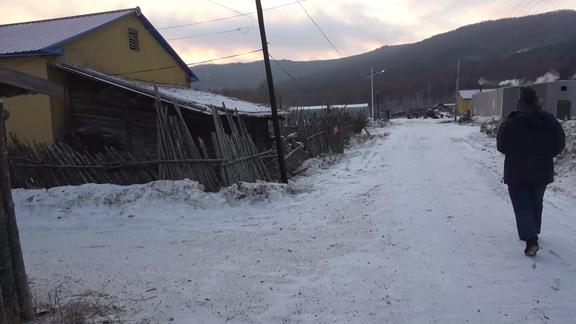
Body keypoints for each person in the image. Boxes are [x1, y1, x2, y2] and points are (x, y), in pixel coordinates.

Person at [496, 87, 565, 257]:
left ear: (520, 102)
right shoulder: (550, 121)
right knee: (536, 201)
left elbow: (501, 145)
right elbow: (560, 142)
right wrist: (548, 155)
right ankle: (533, 230)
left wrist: (515, 153)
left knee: (522, 205)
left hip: (516, 171)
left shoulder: (510, 122)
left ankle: (531, 239)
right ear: (537, 100)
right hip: (542, 170)